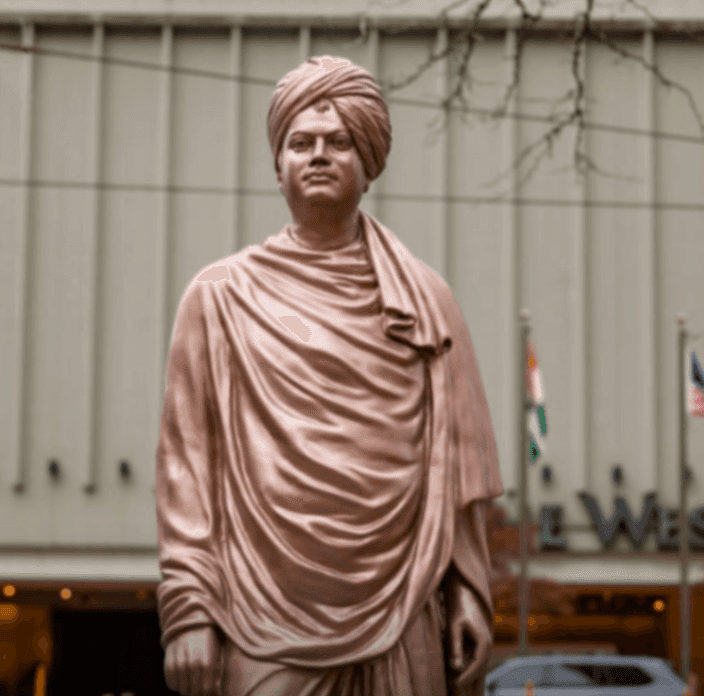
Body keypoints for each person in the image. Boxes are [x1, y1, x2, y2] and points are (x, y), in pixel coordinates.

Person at [156, 55, 504, 696]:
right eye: (301, 143)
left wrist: (468, 592)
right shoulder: (220, 297)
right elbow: (187, 466)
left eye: (339, 141)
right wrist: (189, 607)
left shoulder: (425, 300)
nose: (319, 155)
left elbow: (453, 462)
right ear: (278, 166)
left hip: (404, 601)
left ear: (368, 164)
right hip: (263, 610)